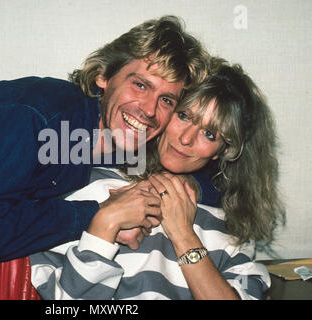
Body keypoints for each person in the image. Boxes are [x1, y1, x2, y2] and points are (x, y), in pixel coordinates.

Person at [0, 16, 217, 299]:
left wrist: (186, 186)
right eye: (140, 85)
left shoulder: (125, 137)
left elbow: (213, 170)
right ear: (103, 77)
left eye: (167, 100)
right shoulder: (36, 116)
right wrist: (97, 215)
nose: (149, 110)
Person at [29, 58, 286, 300]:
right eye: (183, 116)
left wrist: (183, 236)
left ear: (225, 150)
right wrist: (106, 222)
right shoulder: (89, 185)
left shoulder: (229, 224)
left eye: (209, 134)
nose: (186, 139)